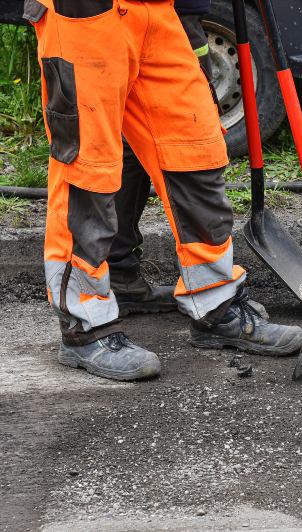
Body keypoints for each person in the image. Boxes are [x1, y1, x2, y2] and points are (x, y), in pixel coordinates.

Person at [24, 0, 302, 382]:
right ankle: (84, 326)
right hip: (84, 15)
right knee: (87, 169)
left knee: (196, 152)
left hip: (158, 12)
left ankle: (215, 303)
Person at [108, 0, 215, 316]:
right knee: (187, 138)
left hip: (162, 12)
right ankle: (211, 296)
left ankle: (118, 274)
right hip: (158, 15)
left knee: (140, 136)